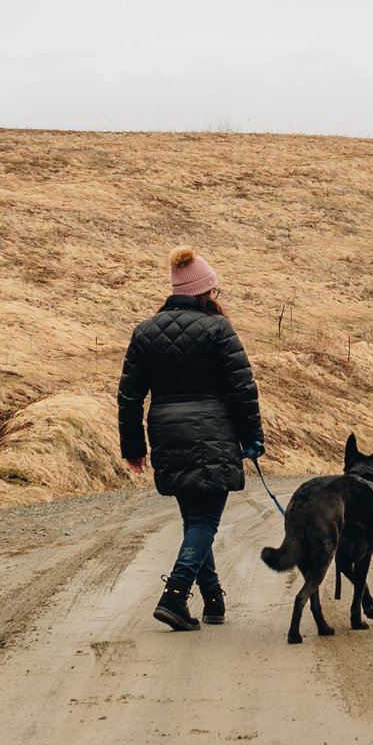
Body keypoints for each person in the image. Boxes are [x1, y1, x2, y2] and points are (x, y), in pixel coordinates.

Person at [117, 247, 265, 631]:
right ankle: (175, 594)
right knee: (203, 521)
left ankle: (213, 600)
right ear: (204, 291)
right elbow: (242, 389)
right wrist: (252, 439)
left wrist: (134, 448)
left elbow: (130, 395)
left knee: (195, 520)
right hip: (213, 432)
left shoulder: (145, 331)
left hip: (167, 433)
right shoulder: (218, 330)